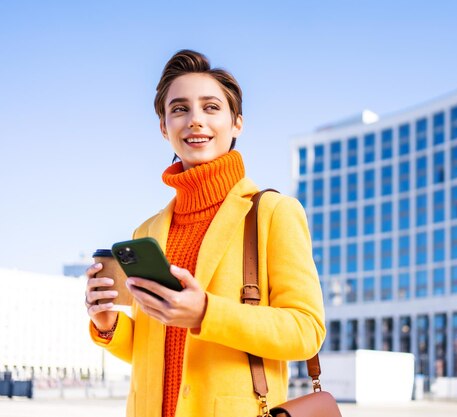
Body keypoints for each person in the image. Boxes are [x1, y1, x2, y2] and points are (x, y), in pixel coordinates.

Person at [84, 49, 326, 417]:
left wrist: (206, 313)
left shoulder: (274, 213)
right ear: (164, 128)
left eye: (211, 107)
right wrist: (109, 325)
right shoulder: (147, 230)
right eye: (179, 109)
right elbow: (155, 351)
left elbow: (306, 331)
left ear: (237, 124)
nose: (195, 120)